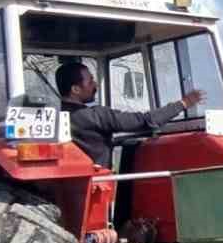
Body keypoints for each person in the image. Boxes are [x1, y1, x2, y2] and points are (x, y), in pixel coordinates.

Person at [54, 60, 204, 168]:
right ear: (75, 89)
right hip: (96, 185)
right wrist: (183, 103)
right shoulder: (97, 116)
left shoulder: (56, 117)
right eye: (90, 81)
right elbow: (145, 121)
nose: (96, 85)